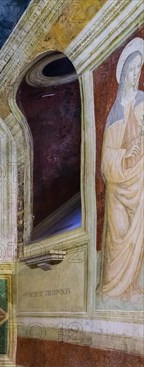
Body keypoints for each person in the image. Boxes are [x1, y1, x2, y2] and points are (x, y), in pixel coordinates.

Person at [98, 37, 144, 300]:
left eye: (139, 69)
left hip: (139, 181)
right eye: (131, 69)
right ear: (123, 71)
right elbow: (106, 162)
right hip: (118, 185)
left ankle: (130, 287)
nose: (135, 74)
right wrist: (126, 153)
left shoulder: (141, 102)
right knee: (118, 235)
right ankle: (113, 288)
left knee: (137, 234)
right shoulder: (115, 112)